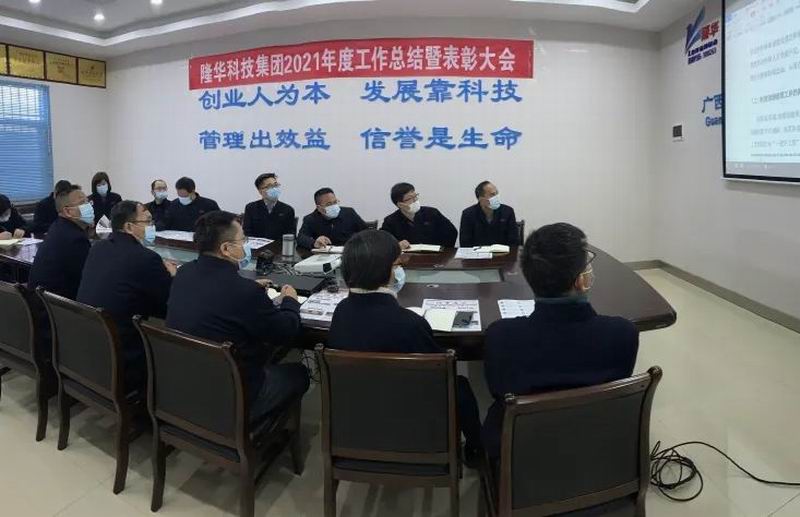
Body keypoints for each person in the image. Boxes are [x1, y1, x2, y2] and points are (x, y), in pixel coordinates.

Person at [481, 223, 639, 459]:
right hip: (598, 451)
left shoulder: (500, 338)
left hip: (521, 457)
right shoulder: (623, 334)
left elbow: (497, 390)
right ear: (580, 281)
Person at [328, 229, 483, 465]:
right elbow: (440, 373)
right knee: (459, 385)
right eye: (396, 264)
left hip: (358, 415)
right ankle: (476, 450)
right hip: (410, 421)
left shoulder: (340, 313)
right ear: (385, 270)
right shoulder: (410, 324)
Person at [166, 211, 309, 421]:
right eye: (243, 240)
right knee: (299, 373)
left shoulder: (184, 273)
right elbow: (286, 331)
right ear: (226, 249)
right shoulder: (245, 292)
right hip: (233, 396)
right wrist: (290, 301)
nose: (246, 245)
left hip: (185, 383)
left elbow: (217, 292)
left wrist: (249, 288)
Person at [77, 201, 177, 388]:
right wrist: (172, 276)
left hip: (88, 340)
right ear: (129, 227)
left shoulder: (98, 247)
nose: (152, 226)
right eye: (147, 221)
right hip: (123, 351)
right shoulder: (146, 258)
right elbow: (168, 304)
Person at [27, 184, 93, 300]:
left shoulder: (58, 226)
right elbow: (88, 279)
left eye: (88, 202)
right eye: (82, 203)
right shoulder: (75, 239)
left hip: (40, 301)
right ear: (67, 211)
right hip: (57, 306)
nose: (89, 207)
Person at [380, 182, 457, 249]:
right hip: (407, 258)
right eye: (410, 199)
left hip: (437, 256)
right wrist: (397, 245)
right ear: (400, 204)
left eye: (415, 196)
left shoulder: (432, 213)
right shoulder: (390, 221)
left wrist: (442, 248)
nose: (415, 200)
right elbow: (383, 242)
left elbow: (452, 232)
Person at [297, 187, 368, 249]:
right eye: (329, 204)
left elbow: (366, 232)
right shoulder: (310, 219)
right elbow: (301, 238)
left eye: (335, 202)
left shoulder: (349, 213)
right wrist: (314, 243)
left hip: (348, 253)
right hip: (324, 255)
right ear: (319, 208)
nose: (334, 206)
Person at [459, 181, 520, 248]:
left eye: (497, 193)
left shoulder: (507, 212)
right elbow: (465, 243)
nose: (496, 197)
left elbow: (514, 241)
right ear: (480, 198)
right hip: (477, 253)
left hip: (503, 252)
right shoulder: (468, 214)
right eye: (492, 194)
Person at [242, 173, 296, 240]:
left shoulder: (288, 210)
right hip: (257, 245)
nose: (274, 189)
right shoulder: (251, 208)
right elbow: (247, 233)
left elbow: (290, 235)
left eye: (276, 185)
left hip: (279, 246)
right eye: (270, 186)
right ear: (260, 191)